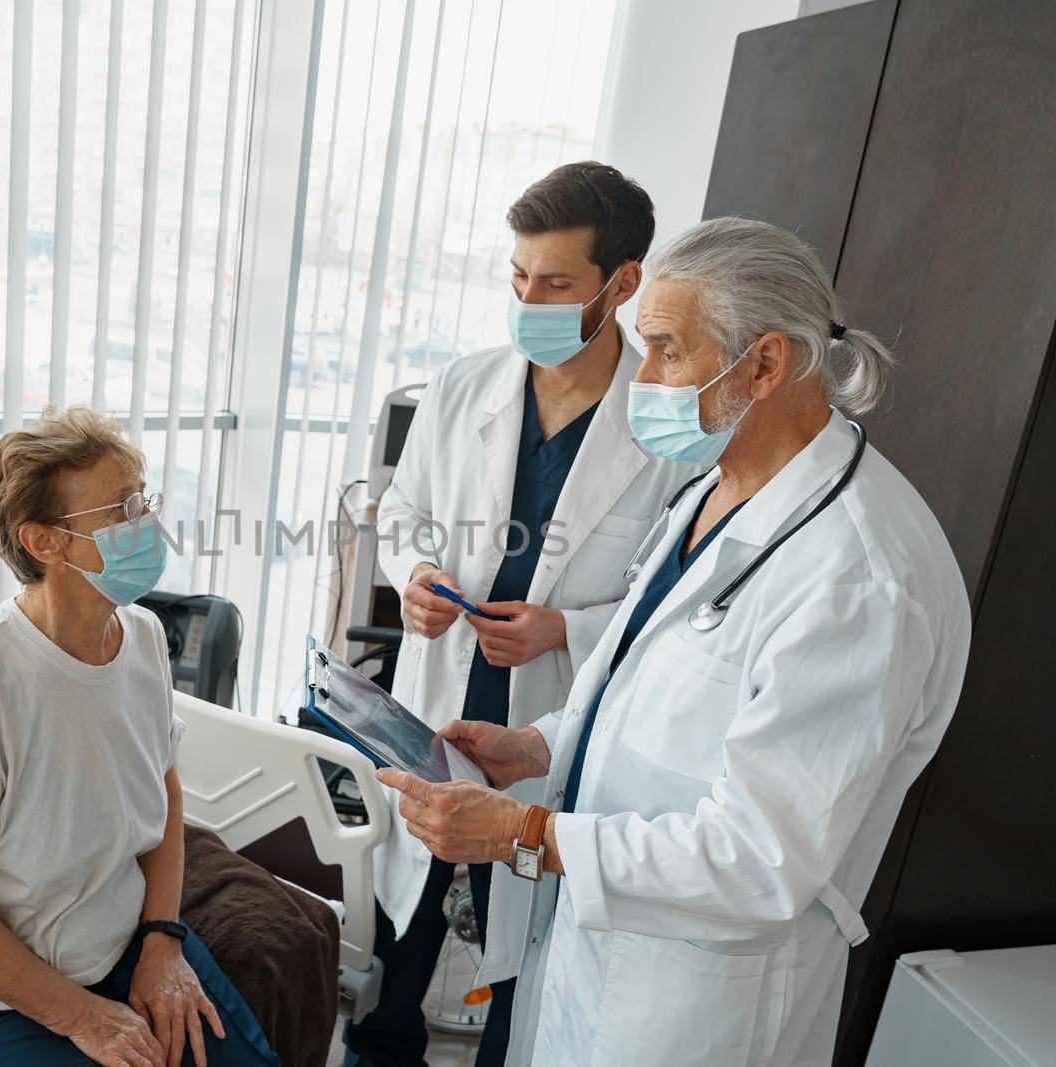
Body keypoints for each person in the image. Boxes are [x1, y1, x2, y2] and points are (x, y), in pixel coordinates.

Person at [380, 217, 971, 1066]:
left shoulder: (860, 581)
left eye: (663, 350)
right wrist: (537, 744)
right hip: (600, 956)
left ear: (764, 363)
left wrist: (526, 834)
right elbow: (639, 687)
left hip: (696, 1008)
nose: (640, 377)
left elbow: (760, 857)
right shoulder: (714, 488)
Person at [346, 163, 698, 1067]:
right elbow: (401, 512)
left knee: (526, 957)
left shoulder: (665, 429)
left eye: (554, 283)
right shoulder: (467, 386)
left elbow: (678, 596)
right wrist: (417, 570)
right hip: (442, 701)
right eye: (516, 276)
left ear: (622, 284)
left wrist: (565, 629)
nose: (526, 299)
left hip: (553, 724)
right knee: (404, 932)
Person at [0, 406, 279, 1067]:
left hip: (117, 946)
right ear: (44, 542)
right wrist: (85, 1016)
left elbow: (164, 793)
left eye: (142, 500)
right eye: (120, 511)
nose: (146, 524)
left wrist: (162, 940)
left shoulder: (143, 637)